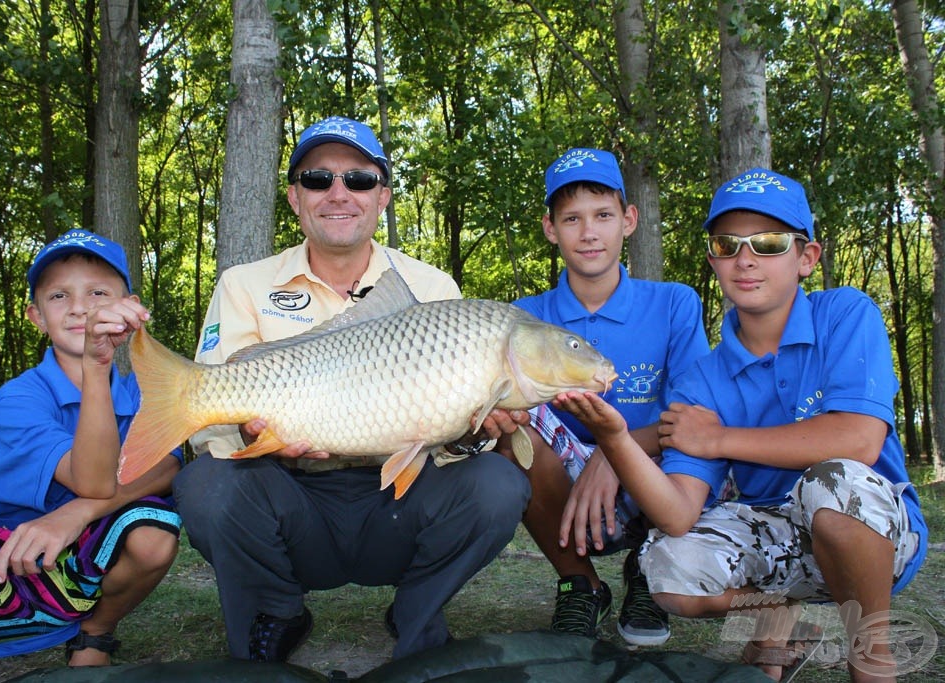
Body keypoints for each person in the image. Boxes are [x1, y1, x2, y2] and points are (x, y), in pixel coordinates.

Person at [172, 116, 532, 663]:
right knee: (207, 486)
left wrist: (473, 433)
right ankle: (277, 611)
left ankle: (417, 614)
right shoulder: (243, 284)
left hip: (396, 499)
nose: (338, 193)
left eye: (359, 180)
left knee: (498, 484)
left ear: (382, 196)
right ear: (295, 197)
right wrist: (249, 429)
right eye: (318, 179)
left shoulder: (432, 288)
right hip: (290, 494)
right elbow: (215, 437)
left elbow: (456, 442)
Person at [553, 168, 927, 682]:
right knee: (665, 565)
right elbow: (679, 514)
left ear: (807, 258)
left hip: (874, 531)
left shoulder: (844, 314)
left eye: (768, 243)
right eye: (728, 244)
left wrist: (721, 438)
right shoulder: (703, 380)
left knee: (832, 485)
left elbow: (860, 440)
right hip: (771, 533)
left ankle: (872, 655)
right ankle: (773, 614)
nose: (745, 259)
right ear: (713, 260)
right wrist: (616, 440)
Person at [0, 230, 183, 667]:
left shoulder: (143, 391)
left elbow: (169, 466)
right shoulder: (18, 397)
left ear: (132, 307)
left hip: (74, 579)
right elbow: (94, 480)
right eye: (59, 295)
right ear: (36, 316)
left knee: (154, 532)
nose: (80, 307)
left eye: (98, 292)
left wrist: (75, 512)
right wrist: (96, 365)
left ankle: (94, 636)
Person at [506, 148, 709, 646]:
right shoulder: (523, 316)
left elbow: (694, 414)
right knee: (508, 428)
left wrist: (615, 456)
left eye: (603, 215)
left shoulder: (674, 303)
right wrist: (595, 457)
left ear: (629, 219)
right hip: (568, 476)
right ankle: (580, 584)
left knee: (708, 441)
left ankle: (649, 572)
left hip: (651, 462)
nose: (589, 232)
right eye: (572, 219)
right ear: (551, 229)